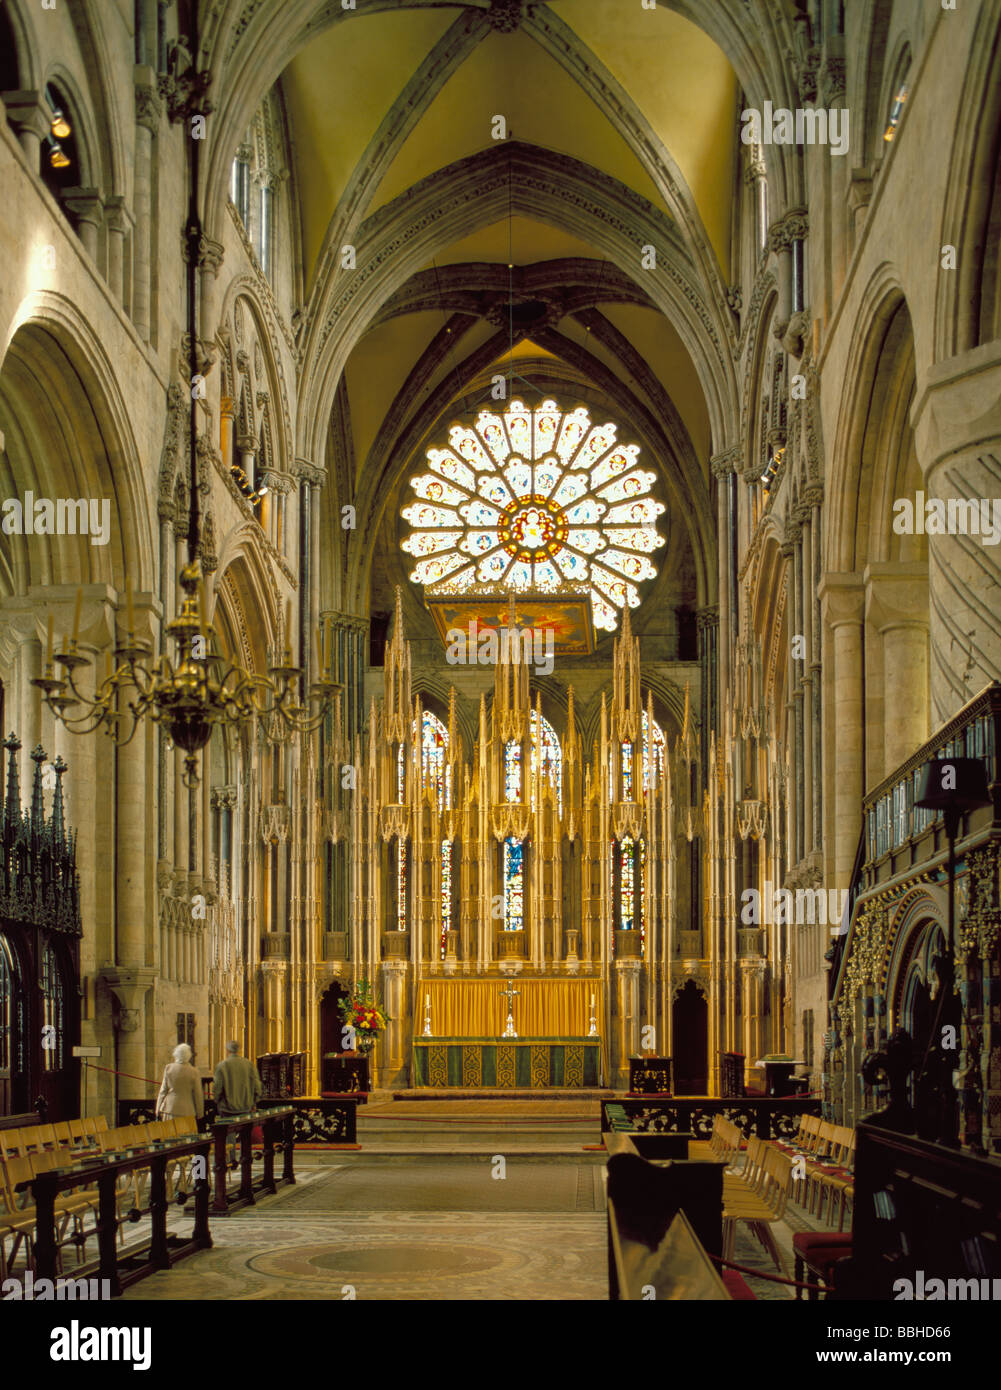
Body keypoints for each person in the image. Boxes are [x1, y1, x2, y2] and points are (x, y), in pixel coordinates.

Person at [155, 1043, 204, 1123]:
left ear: (176, 1054)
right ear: (189, 1055)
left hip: (170, 1109)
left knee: (170, 1134)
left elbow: (163, 1091)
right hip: (187, 1110)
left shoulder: (168, 1068)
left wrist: (158, 1109)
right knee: (187, 1135)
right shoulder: (194, 1072)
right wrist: (200, 1113)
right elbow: (198, 1094)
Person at [213, 1040, 263, 1117]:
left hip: (227, 1109)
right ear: (239, 1050)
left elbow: (217, 1088)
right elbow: (257, 1086)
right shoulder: (249, 1064)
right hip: (246, 1108)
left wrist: (217, 1101)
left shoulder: (221, 1066)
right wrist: (254, 1102)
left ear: (227, 1050)